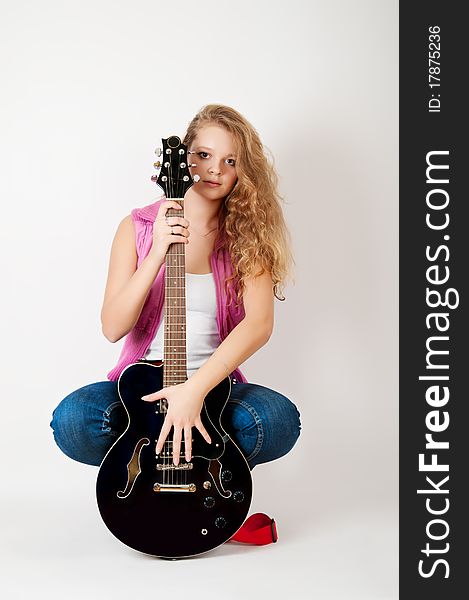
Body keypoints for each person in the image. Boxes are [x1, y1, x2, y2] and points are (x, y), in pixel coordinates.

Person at [50, 104, 301, 471]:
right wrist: (155, 256)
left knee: (277, 419)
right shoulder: (135, 227)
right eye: (204, 155)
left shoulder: (248, 235)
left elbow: (259, 325)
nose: (216, 169)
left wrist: (194, 391)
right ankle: (148, 470)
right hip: (141, 387)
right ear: (183, 161)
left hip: (214, 386)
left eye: (231, 161)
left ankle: (204, 474)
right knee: (74, 420)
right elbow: (112, 327)